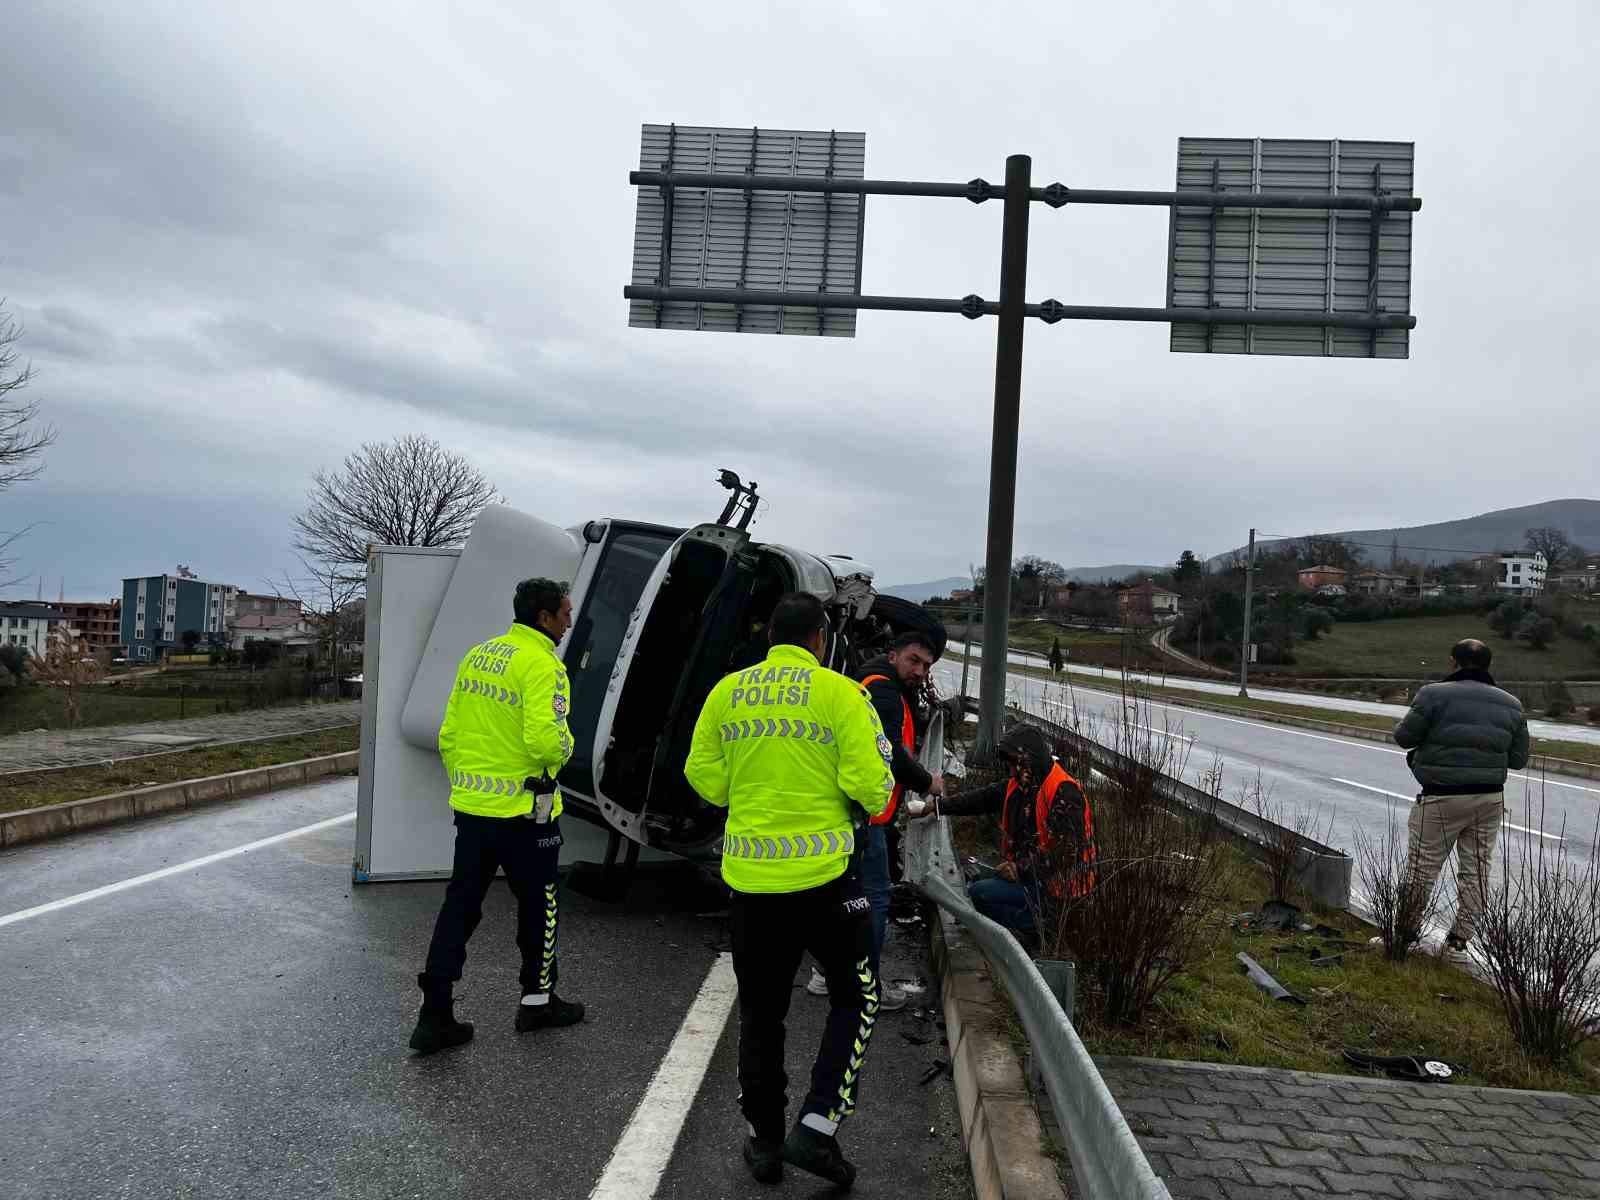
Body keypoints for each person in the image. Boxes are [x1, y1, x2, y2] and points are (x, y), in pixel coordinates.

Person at [685, 592, 895, 1188]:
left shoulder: (727, 693)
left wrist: (746, 791)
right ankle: (818, 1125)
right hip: (827, 884)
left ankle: (765, 1142)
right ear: (820, 639)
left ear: (771, 635)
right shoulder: (841, 694)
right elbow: (873, 787)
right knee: (857, 997)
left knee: (761, 1013)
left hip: (752, 886)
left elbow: (702, 775)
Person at [409, 577, 586, 1054]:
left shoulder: (479, 655)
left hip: (473, 810)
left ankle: (435, 1014)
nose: (569, 621)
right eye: (565, 613)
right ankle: (537, 1002)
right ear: (544, 617)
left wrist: (470, 783)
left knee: (460, 906)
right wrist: (568, 745)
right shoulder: (543, 665)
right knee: (540, 905)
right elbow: (546, 743)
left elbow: (449, 734)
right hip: (526, 813)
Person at [806, 632, 945, 1010]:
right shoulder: (883, 690)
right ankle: (866, 986)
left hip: (854, 812)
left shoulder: (871, 682)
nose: (920, 671)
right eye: (914, 660)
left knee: (843, 896)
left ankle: (827, 973)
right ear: (893, 655)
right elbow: (890, 754)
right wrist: (928, 782)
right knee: (875, 897)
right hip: (866, 815)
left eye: (926, 666)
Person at [1393, 637, 1529, 964]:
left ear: (1453, 662)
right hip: (1489, 798)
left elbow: (1404, 737)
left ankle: (1404, 937)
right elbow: (1518, 759)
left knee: (1422, 869)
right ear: (1488, 665)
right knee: (1476, 871)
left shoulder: (1433, 694)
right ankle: (1457, 945)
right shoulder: (1512, 704)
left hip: (1442, 796)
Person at [916, 724, 1095, 942]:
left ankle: (1040, 930)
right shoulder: (1023, 785)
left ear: (1027, 761)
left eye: (1013, 764)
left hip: (1060, 894)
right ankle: (1032, 925)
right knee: (975, 880)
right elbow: (983, 798)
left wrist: (1020, 869)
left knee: (980, 893)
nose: (1010, 771)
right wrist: (938, 806)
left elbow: (1066, 852)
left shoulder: (1064, 792)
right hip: (1037, 880)